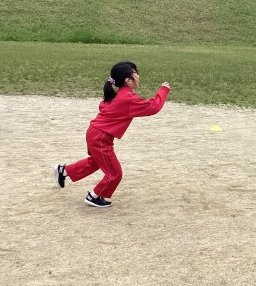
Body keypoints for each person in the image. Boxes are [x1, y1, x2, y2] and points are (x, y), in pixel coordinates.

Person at [54, 61, 171, 208]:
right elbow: (153, 107)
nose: (138, 76)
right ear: (128, 80)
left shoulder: (120, 94)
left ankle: (63, 171)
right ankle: (94, 196)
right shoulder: (127, 98)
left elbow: (103, 106)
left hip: (95, 133)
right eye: (136, 73)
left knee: (97, 162)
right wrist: (163, 90)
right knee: (115, 174)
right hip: (101, 137)